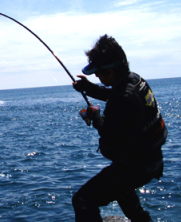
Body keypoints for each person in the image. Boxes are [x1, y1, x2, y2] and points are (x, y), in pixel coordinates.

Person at [71, 35, 168, 222]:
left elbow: (109, 134)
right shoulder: (134, 80)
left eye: (98, 72)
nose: (97, 76)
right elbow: (115, 95)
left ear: (111, 71)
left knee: (82, 200)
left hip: (136, 165)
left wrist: (96, 116)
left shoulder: (122, 98)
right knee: (121, 187)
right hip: (151, 158)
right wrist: (89, 88)